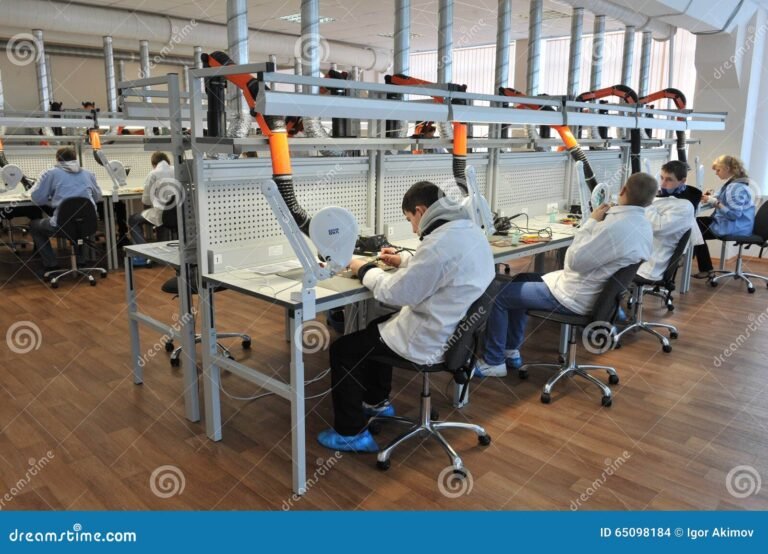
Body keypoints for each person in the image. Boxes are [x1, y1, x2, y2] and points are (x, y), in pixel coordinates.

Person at [317, 181, 494, 452]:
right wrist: (403, 261)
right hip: (457, 336)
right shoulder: (469, 231)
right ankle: (377, 402)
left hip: (429, 340)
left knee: (344, 349)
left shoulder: (437, 243)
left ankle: (351, 433)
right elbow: (442, 267)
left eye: (410, 219)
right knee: (377, 327)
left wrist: (362, 268)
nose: (413, 228)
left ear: (421, 211)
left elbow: (394, 293)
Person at [474, 172, 657, 377]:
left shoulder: (615, 226)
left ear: (622, 190)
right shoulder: (643, 225)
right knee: (520, 280)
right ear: (650, 201)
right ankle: (510, 351)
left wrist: (591, 222)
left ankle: (494, 362)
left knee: (498, 295)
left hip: (575, 296)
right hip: (595, 295)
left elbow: (574, 262)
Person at [29, 146, 102, 275]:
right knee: (78, 224)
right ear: (75, 158)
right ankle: (81, 261)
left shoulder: (51, 173)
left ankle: (51, 264)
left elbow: (37, 199)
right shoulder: (88, 173)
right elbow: (97, 197)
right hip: (88, 223)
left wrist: (51, 200)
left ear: (57, 159)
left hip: (62, 225)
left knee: (34, 225)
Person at [693, 155, 755, 279]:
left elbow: (734, 215)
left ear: (727, 168)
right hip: (734, 224)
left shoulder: (736, 187)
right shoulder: (733, 183)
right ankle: (703, 266)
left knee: (694, 227)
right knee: (695, 225)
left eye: (718, 170)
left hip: (736, 227)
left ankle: (700, 265)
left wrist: (714, 202)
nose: (716, 173)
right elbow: (725, 199)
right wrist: (712, 198)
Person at [127, 152, 174, 266]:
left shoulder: (153, 174)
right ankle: (163, 254)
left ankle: (144, 254)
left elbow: (146, 200)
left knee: (133, 219)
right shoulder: (177, 170)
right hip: (177, 213)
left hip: (161, 213)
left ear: (154, 163)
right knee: (163, 221)